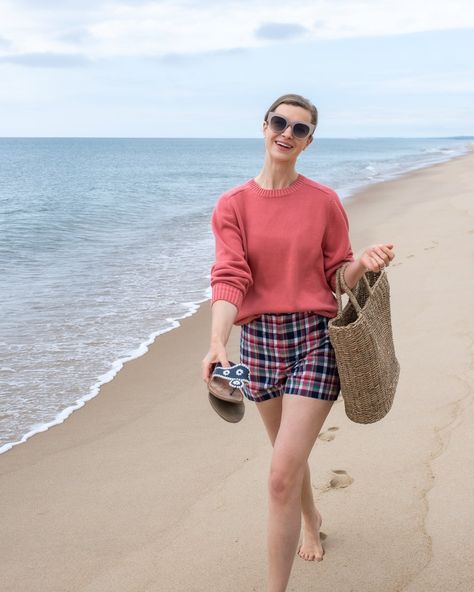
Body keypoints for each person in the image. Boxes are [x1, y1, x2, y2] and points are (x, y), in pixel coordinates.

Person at [201, 93, 395, 592]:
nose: (287, 133)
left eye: (300, 129)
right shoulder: (232, 205)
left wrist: (363, 263)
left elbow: (338, 274)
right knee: (287, 455)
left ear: (308, 142)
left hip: (313, 339)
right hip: (258, 345)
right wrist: (217, 342)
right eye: (280, 123)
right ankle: (310, 520)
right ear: (263, 127)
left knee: (280, 475)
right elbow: (229, 278)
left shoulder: (324, 201)